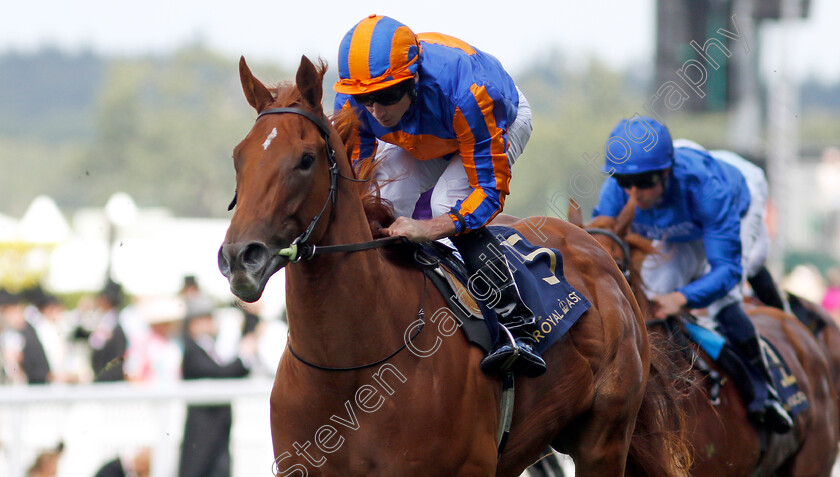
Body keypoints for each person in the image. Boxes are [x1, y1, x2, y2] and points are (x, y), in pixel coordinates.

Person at [333, 14, 542, 377]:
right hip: (429, 129)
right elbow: (358, 184)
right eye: (366, 99)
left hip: (492, 120)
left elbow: (488, 194)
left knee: (447, 205)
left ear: (412, 77)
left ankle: (517, 325)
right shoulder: (354, 103)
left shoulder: (472, 93)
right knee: (381, 199)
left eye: (386, 96)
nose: (377, 112)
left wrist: (429, 229)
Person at [592, 115, 793, 433]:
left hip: (740, 197)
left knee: (723, 295)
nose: (633, 194)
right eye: (624, 182)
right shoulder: (614, 194)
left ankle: (766, 394)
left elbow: (725, 270)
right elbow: (603, 250)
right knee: (654, 296)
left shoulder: (708, 189)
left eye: (644, 183)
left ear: (665, 173)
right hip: (684, 227)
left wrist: (682, 297)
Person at [177, 296, 256, 477]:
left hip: (216, 430)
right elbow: (221, 374)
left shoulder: (209, 348)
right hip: (203, 432)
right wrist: (244, 356)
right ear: (194, 323)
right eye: (207, 318)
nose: (212, 323)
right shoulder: (192, 351)